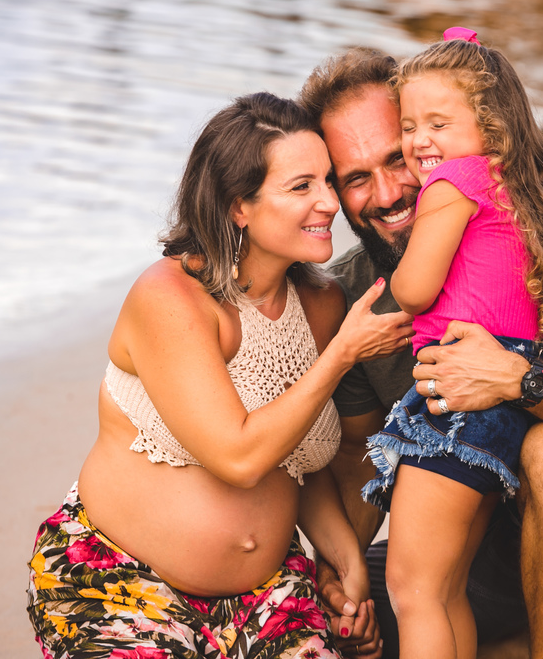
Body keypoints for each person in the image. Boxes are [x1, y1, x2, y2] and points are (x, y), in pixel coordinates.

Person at [299, 45, 543, 659]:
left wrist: (520, 379)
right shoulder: (352, 292)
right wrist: (337, 574)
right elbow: (359, 457)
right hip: (459, 543)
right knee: (338, 619)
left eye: (398, 158)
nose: (387, 194)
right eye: (355, 178)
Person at [26, 92, 413, 659]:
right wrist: (340, 357)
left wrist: (345, 563)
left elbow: (296, 462)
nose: (330, 202)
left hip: (267, 596)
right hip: (120, 584)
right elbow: (241, 457)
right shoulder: (171, 297)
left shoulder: (324, 304)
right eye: (301, 186)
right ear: (239, 207)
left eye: (329, 181)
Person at [356, 28, 543, 659]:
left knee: (415, 589)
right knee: (446, 590)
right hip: (498, 401)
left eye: (438, 123)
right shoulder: (519, 193)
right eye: (409, 126)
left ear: (491, 128)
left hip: (457, 398)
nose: (419, 141)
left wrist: (395, 281)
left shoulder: (452, 184)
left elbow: (416, 290)